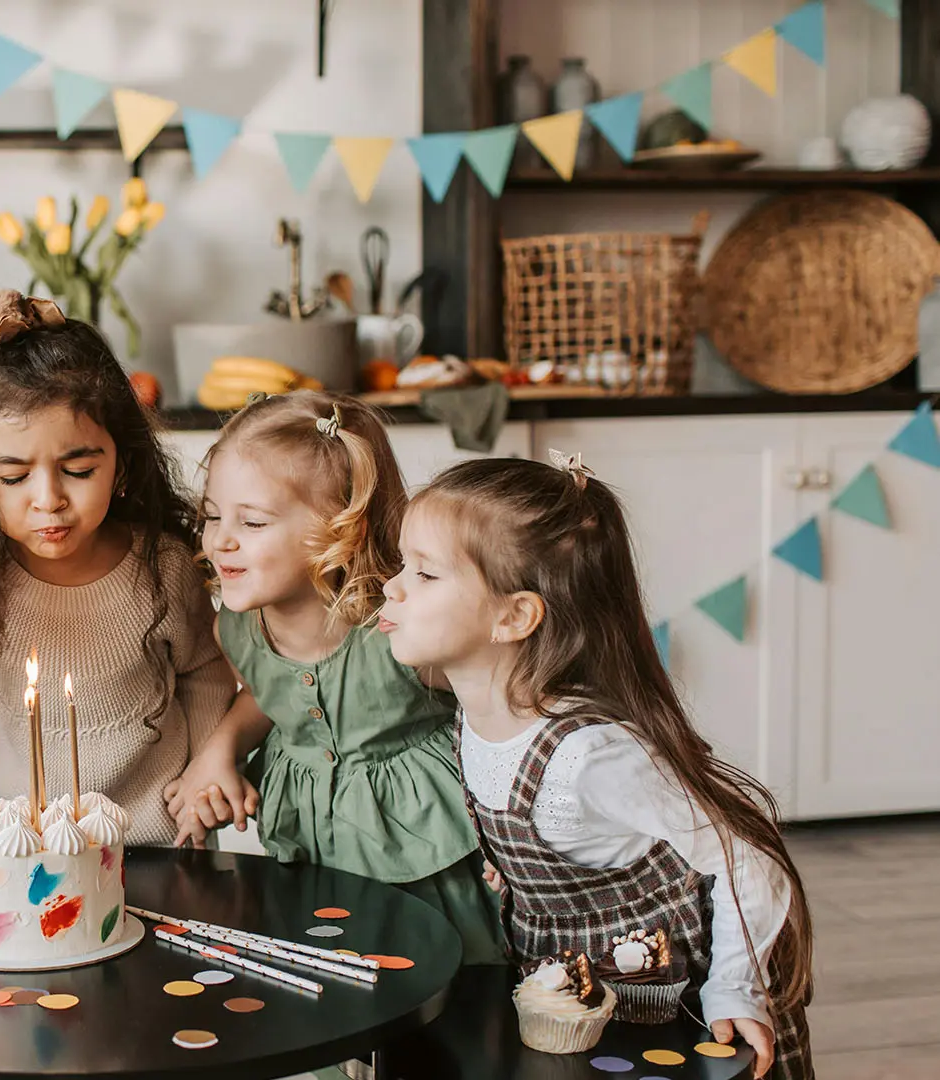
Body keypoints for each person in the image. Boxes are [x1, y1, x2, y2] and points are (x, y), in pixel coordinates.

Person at [380, 452, 813, 1079]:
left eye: (424, 574)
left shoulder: (587, 757)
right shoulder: (472, 718)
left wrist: (735, 989)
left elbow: (748, 859)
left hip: (679, 1014)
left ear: (514, 617)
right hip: (577, 1004)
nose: (392, 587)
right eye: (401, 564)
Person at [166, 391, 503, 964]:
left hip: (426, 855)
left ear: (339, 528)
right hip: (319, 858)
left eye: (252, 521)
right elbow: (272, 696)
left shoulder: (400, 628)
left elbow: (495, 702)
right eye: (213, 515)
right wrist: (219, 750)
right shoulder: (237, 630)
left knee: (450, 999)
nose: (220, 538)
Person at [0, 290, 234, 844]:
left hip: (162, 844)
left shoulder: (163, 567)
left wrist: (205, 774)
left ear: (120, 460)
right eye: (13, 477)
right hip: (27, 855)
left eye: (77, 469)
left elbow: (205, 674)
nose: (48, 499)